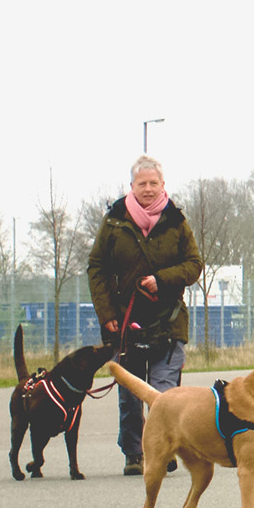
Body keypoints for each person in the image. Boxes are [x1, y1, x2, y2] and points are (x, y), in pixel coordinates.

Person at [87, 156, 203, 476]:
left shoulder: (177, 221)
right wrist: (107, 314)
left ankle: (163, 447)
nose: (149, 189)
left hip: (169, 321)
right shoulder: (114, 223)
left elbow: (194, 265)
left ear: (163, 185)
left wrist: (162, 279)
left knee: (163, 391)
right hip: (125, 324)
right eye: (143, 184)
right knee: (130, 393)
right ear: (132, 187)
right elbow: (96, 268)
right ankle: (134, 452)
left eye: (154, 183)